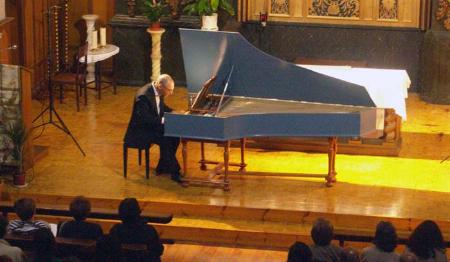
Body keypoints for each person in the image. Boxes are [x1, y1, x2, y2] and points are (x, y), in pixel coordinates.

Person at [123, 74, 182, 183]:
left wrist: (174, 112)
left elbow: (161, 107)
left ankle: (162, 167)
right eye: (169, 90)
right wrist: (164, 120)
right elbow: (145, 119)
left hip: (152, 126)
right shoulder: (143, 96)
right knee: (166, 140)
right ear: (160, 86)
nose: (171, 93)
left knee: (175, 136)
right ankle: (175, 172)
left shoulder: (158, 91)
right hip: (141, 131)